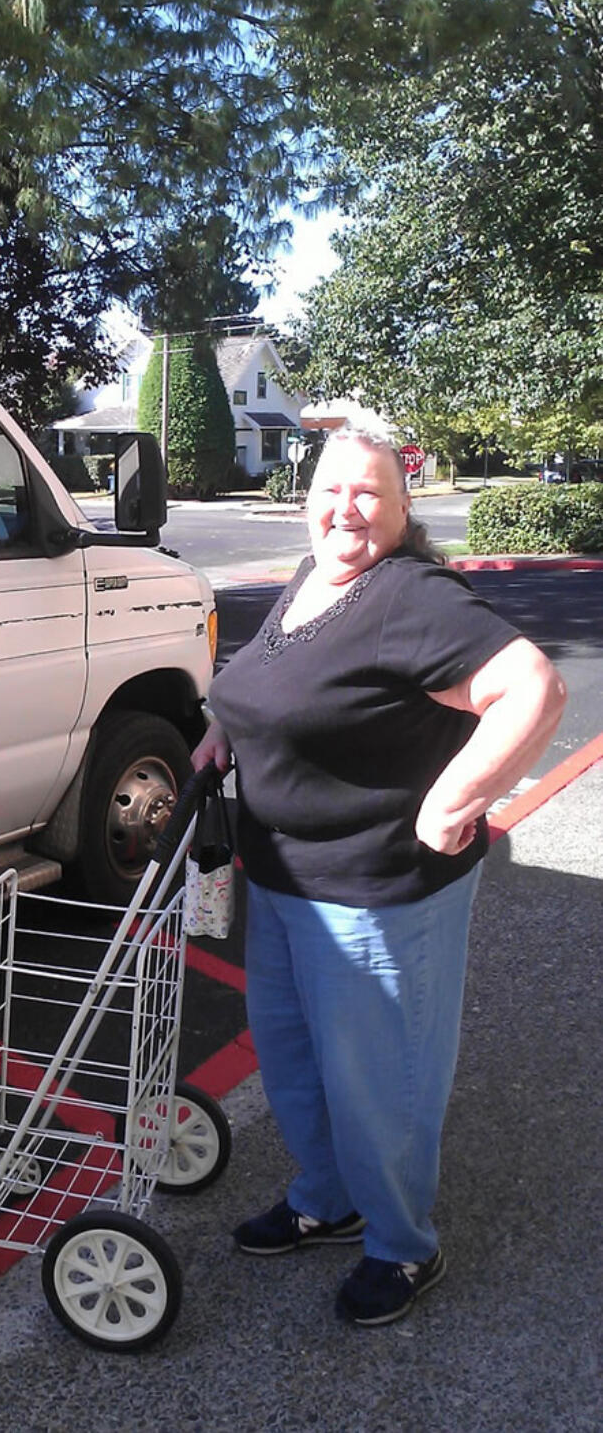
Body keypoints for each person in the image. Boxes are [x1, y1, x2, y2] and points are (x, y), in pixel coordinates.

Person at [194, 423, 565, 1326]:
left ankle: (402, 1247)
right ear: (306, 494)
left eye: (369, 494)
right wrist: (223, 728)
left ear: (405, 511)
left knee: (380, 1078)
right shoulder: (315, 576)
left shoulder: (410, 597)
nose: (345, 509)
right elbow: (275, 679)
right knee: (294, 1061)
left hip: (377, 887)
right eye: (330, 489)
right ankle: (329, 1196)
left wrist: (454, 801)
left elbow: (535, 689)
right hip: (281, 877)